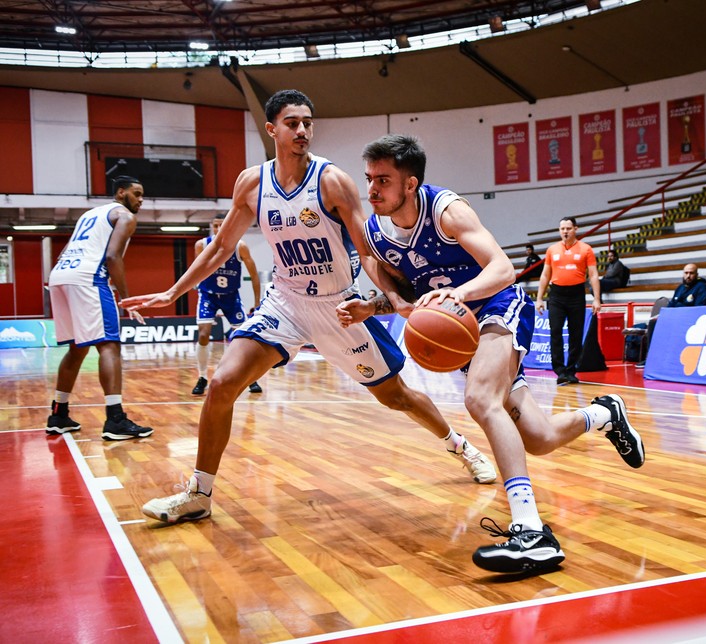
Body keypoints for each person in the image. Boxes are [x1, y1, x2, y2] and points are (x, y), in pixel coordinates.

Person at [122, 90, 496, 524]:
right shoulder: (251, 183)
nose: (302, 130)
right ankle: (199, 494)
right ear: (272, 129)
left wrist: (391, 300)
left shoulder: (333, 181)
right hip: (286, 302)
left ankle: (461, 447)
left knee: (397, 398)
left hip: (338, 306)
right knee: (223, 382)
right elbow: (222, 246)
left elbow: (369, 250)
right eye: (292, 123)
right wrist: (172, 292)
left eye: (307, 123)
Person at [353, 134, 644, 574]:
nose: (372, 189)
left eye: (383, 180)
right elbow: (389, 276)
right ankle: (604, 415)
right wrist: (384, 303)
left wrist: (460, 294)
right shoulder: (376, 232)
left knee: (480, 399)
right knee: (540, 439)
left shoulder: (446, 210)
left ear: (410, 185)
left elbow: (502, 268)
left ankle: (532, 531)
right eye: (370, 179)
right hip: (464, 328)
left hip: (496, 306)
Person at [46, 175, 154, 440]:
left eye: (142, 195)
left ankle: (59, 414)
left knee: (77, 347)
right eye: (136, 193)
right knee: (109, 346)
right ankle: (115, 419)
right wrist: (127, 298)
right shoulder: (125, 216)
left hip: (59, 276)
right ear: (120, 193)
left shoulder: (91, 214)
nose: (140, 200)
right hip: (88, 279)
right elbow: (111, 256)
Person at [191, 213, 263, 396]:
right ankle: (202, 377)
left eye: (222, 225)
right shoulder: (202, 245)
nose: (218, 229)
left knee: (245, 338)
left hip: (231, 296)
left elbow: (254, 276)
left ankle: (250, 378)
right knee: (203, 335)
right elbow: (195, 270)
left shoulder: (240, 247)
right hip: (208, 295)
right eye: (215, 225)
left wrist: (256, 303)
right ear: (212, 227)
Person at [536, 217, 602, 386]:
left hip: (577, 295)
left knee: (576, 334)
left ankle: (571, 371)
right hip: (556, 295)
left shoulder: (586, 249)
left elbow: (593, 275)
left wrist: (596, 298)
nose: (565, 231)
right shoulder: (552, 250)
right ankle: (560, 371)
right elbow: (545, 275)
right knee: (555, 332)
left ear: (575, 229)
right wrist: (539, 298)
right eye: (562, 228)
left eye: (568, 228)